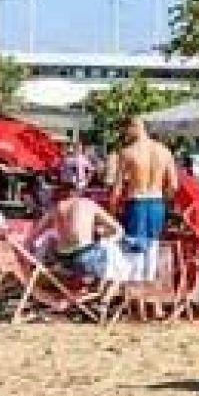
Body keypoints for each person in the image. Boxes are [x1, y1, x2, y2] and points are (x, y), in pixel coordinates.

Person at [104, 116, 179, 280]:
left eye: (125, 130)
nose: (125, 135)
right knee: (152, 248)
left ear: (133, 127)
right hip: (157, 203)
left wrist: (111, 211)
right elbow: (174, 185)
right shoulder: (165, 151)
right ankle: (149, 289)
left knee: (134, 250)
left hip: (136, 202)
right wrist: (163, 201)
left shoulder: (128, 152)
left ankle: (135, 294)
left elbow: (117, 188)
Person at [32, 182, 125, 284]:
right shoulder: (88, 203)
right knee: (113, 247)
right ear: (78, 193)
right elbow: (118, 230)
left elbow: (34, 234)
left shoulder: (56, 208)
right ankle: (104, 291)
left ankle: (81, 276)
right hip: (84, 258)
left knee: (52, 239)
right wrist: (103, 234)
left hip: (63, 260)